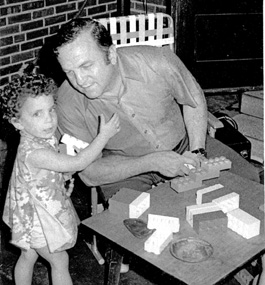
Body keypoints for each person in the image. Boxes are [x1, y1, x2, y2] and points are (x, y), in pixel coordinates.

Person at [52, 17, 260, 202]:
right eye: (69, 72)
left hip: (186, 145)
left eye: (86, 66)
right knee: (134, 229)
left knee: (249, 184)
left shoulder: (158, 61)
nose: (79, 80)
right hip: (127, 168)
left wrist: (197, 151)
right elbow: (89, 173)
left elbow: (193, 99)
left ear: (112, 54)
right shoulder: (67, 102)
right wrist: (152, 162)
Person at [0, 72, 120, 285]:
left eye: (51, 109)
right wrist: (103, 137)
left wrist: (61, 173)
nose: (49, 119)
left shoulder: (40, 138)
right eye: (37, 114)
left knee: (28, 255)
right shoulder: (34, 152)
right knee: (59, 260)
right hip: (36, 219)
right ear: (17, 122)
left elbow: (53, 168)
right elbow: (77, 163)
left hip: (29, 210)